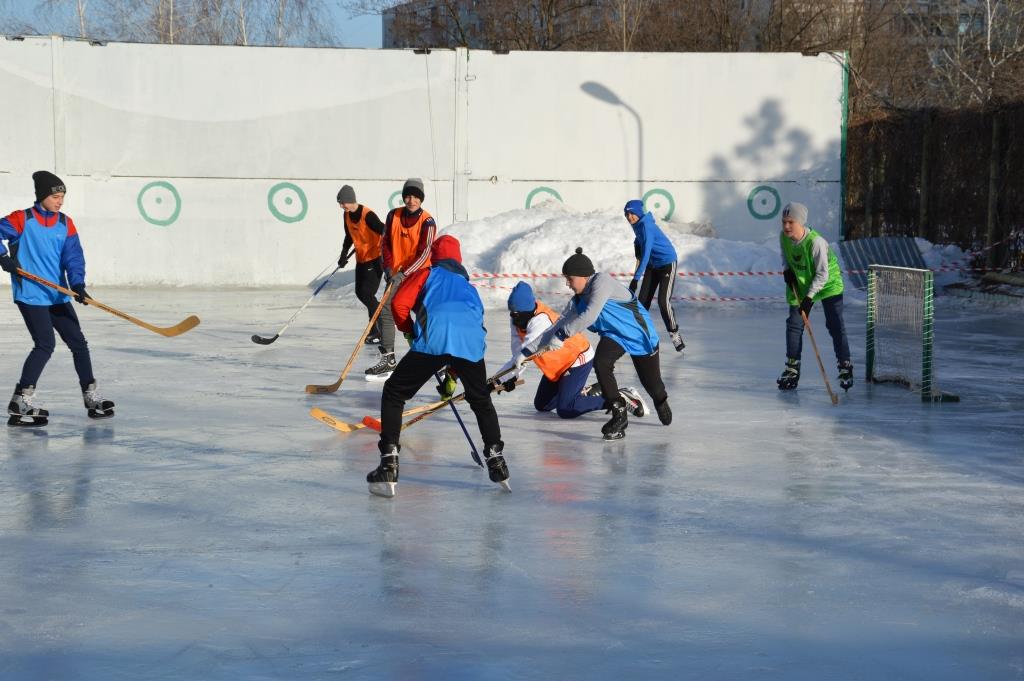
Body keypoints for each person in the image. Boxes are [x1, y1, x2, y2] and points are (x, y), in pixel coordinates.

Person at [367, 235, 509, 497]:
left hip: (433, 341)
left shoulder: (426, 274)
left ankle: (389, 460)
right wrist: (453, 374)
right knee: (481, 401)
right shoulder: (469, 287)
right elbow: (476, 321)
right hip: (470, 346)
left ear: (435, 256)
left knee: (395, 392)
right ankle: (496, 458)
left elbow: (399, 304)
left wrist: (410, 331)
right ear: (459, 261)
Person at [0, 170, 115, 426]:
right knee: (45, 344)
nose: (60, 200)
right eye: (56, 196)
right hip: (30, 294)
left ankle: (90, 395)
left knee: (78, 342)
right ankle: (21, 399)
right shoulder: (22, 219)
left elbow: (73, 256)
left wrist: (77, 284)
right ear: (43, 195)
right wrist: (3, 257)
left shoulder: (65, 223)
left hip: (57, 294)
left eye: (62, 196)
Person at [519, 248, 671, 441]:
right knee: (601, 363)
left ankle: (661, 400)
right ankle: (619, 412)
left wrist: (563, 334)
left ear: (583, 276)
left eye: (570, 279)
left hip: (639, 335)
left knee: (653, 385)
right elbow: (555, 327)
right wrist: (524, 353)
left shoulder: (602, 282)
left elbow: (590, 316)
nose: (568, 284)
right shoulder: (577, 301)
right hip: (614, 336)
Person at [495, 281, 644, 419]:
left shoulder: (540, 322)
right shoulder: (517, 318)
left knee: (566, 409)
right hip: (557, 365)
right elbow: (518, 353)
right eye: (511, 312)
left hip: (576, 358)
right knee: (542, 405)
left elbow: (525, 357)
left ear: (526, 310)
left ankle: (616, 398)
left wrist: (495, 382)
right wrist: (508, 378)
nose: (512, 317)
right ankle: (583, 392)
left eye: (515, 314)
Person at [776, 202, 853, 392]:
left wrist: (809, 298)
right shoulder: (783, 237)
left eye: (790, 222)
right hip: (801, 282)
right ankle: (792, 366)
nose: (786, 226)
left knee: (834, 323)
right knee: (794, 324)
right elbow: (785, 255)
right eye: (784, 222)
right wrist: (787, 270)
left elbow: (822, 275)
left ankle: (845, 365)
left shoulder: (816, 242)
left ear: (800, 222)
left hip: (827, 284)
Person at [365, 177, 437, 380]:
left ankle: (435, 358)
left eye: (416, 197)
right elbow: (385, 243)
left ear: (421, 199)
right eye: (408, 195)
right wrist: (388, 269)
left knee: (424, 312)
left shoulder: (428, 222)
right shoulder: (393, 215)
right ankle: (388, 358)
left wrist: (404, 273)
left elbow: (425, 253)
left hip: (418, 275)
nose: (411, 200)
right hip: (395, 274)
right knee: (386, 309)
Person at [624, 199, 685, 353]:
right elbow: (640, 251)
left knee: (663, 302)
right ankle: (639, 336)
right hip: (653, 265)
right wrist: (636, 244)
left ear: (638, 212)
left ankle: (674, 333)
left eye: (632, 213)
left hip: (666, 263)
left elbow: (646, 254)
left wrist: (636, 279)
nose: (629, 217)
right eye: (627, 214)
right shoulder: (636, 226)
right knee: (642, 303)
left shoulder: (647, 226)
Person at [336, 185, 386, 345]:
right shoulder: (347, 215)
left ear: (350, 200)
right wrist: (343, 255)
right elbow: (349, 236)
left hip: (375, 259)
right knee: (360, 293)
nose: (341, 206)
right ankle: (378, 323)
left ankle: (377, 329)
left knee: (367, 294)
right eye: (340, 203)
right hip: (361, 259)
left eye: (342, 202)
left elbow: (384, 230)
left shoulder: (368, 215)